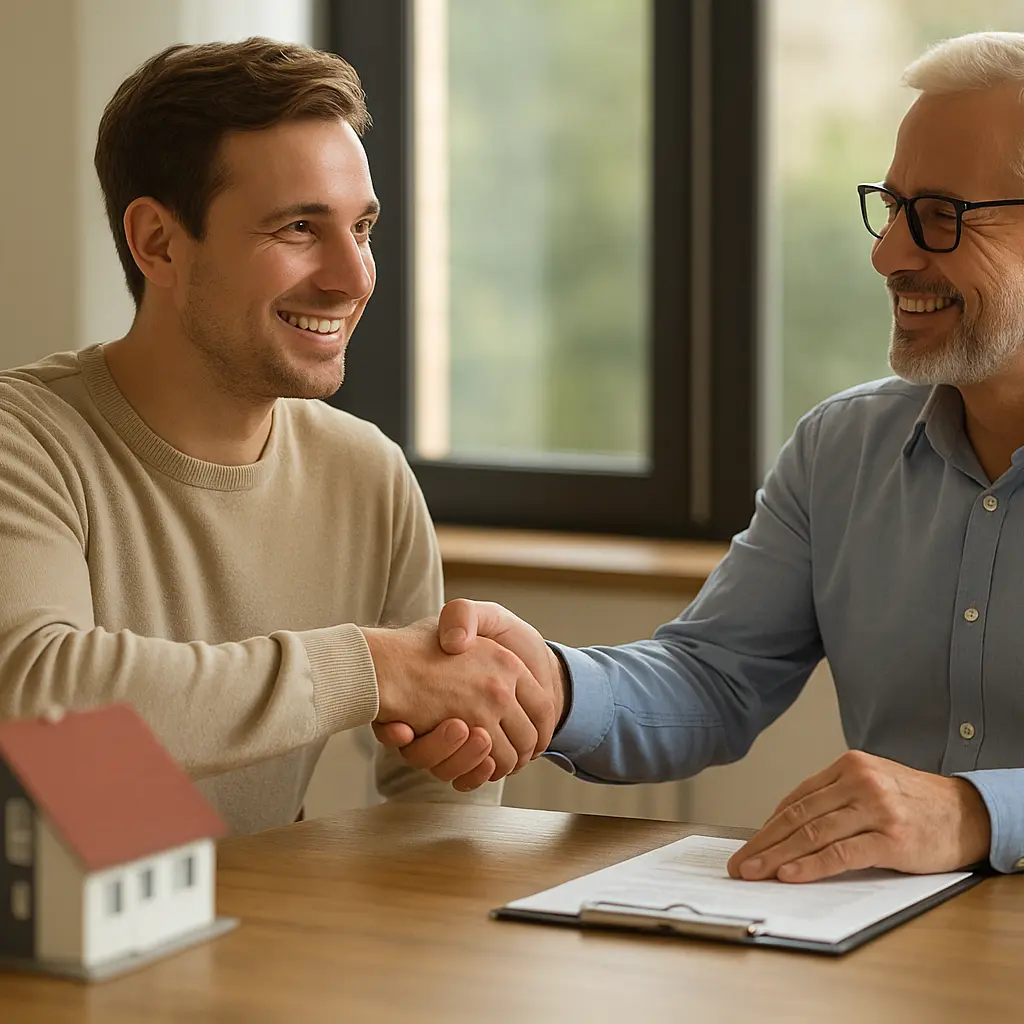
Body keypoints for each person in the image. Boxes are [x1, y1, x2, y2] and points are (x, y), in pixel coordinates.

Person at [378, 31, 1024, 880]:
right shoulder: (842, 450)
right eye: (892, 206)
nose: (887, 255)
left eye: (939, 216)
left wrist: (978, 813)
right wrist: (552, 687)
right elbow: (713, 679)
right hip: (880, 937)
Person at [0, 37, 559, 835]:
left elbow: (440, 797)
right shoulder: (23, 442)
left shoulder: (367, 475)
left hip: (253, 919)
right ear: (159, 242)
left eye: (362, 228)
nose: (353, 277)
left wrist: (467, 735)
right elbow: (37, 697)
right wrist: (370, 667)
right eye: (299, 227)